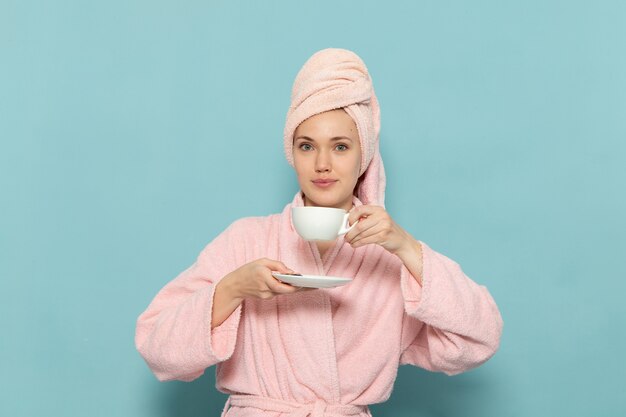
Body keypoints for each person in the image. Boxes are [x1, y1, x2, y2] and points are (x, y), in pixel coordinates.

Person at [135, 48, 503, 417]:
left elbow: (479, 339)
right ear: (291, 154)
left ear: (364, 157)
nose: (322, 164)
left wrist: (406, 248)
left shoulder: (388, 261)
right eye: (306, 146)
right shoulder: (245, 241)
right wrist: (233, 289)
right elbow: (156, 346)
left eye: (340, 147)